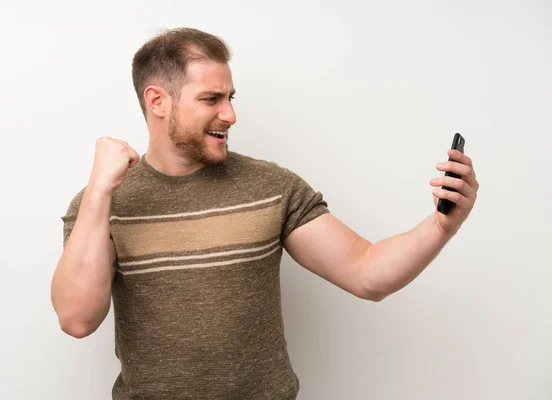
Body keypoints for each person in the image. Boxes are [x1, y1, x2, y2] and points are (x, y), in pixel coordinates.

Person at [51, 27, 479, 400]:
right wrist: (99, 192)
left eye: (231, 97)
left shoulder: (270, 187)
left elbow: (367, 273)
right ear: (158, 101)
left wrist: (442, 225)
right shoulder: (102, 204)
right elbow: (76, 319)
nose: (230, 114)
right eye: (211, 99)